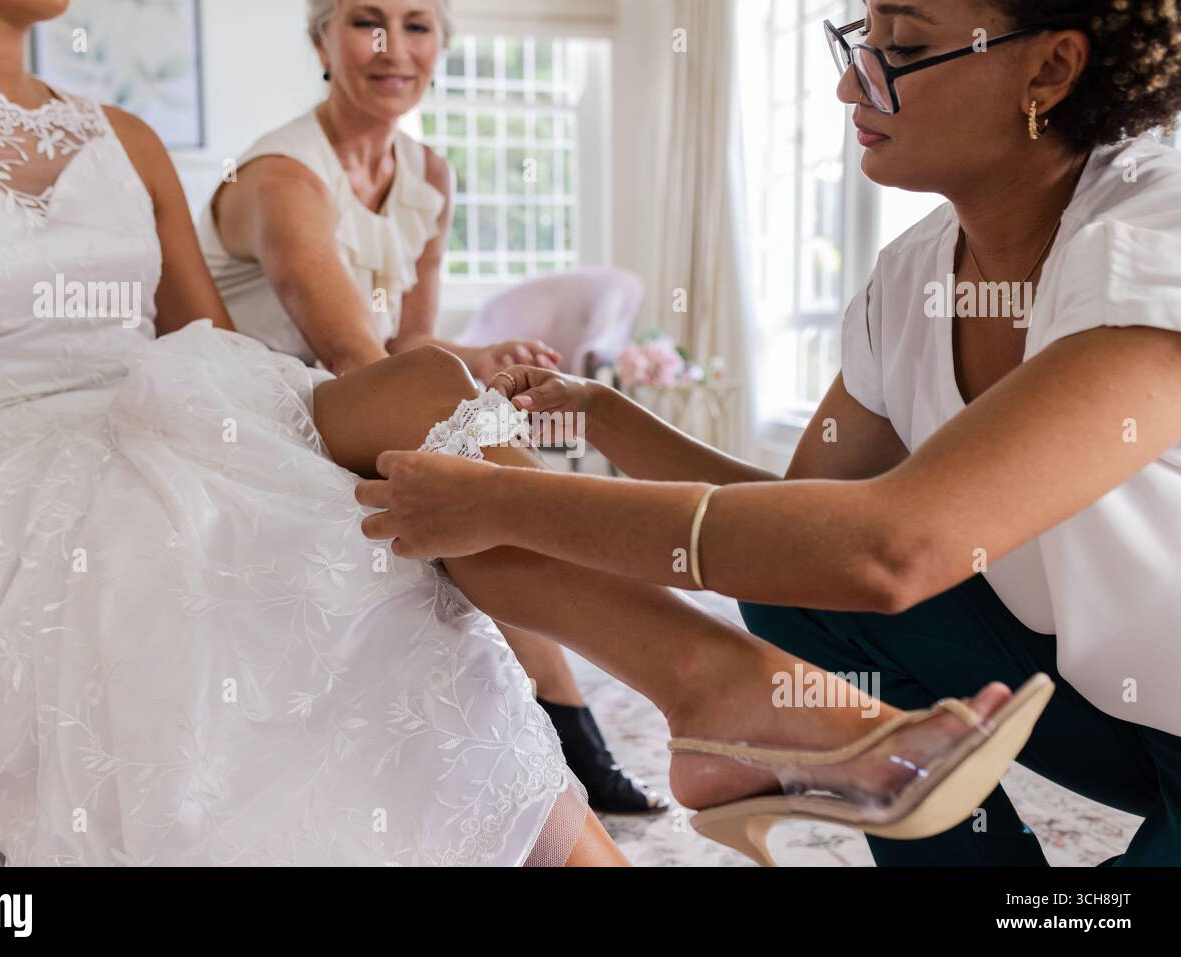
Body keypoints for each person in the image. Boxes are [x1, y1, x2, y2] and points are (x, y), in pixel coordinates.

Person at [355, 0, 1181, 866]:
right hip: (1106, 712)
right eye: (864, 44)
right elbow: (798, 519)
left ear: (1048, 69)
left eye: (902, 48)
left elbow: (891, 549)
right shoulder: (911, 277)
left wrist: (511, 501)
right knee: (795, 574)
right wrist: (604, 414)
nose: (848, 83)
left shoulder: (1148, 240)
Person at [197, 0, 663, 813]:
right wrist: (454, 386)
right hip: (256, 409)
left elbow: (407, 340)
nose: (393, 48)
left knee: (488, 489)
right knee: (484, 487)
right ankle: (599, 673)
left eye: (417, 24)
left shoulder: (429, 177)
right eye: (365, 22)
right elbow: (353, 359)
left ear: (442, 45)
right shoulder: (280, 176)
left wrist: (477, 361)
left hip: (358, 395)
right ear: (320, 42)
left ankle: (573, 722)